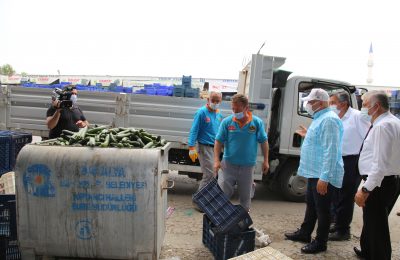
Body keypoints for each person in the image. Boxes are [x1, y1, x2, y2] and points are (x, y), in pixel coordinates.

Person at [284, 88, 344, 254]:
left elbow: (331, 151)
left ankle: (320, 242)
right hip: (314, 171)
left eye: (311, 102)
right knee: (311, 205)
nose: (308, 105)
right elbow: (320, 142)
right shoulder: (320, 118)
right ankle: (305, 233)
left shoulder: (329, 120)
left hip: (323, 174)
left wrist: (324, 178)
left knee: (323, 210)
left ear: (321, 102)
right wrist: (307, 134)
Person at [353, 90, 400, 260]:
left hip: (379, 183)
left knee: (377, 227)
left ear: (376, 106)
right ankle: (367, 250)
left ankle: (378, 255)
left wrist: (365, 190)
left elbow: (379, 164)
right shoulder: (393, 121)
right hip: (389, 181)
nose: (362, 108)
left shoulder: (382, 126)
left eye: (365, 105)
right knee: (373, 221)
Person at [213, 94, 269, 211]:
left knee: (246, 196)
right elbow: (218, 142)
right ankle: (220, 220)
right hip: (228, 165)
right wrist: (217, 160)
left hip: (247, 166)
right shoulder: (227, 122)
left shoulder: (257, 123)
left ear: (246, 108)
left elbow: (264, 142)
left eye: (237, 109)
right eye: (233, 109)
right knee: (223, 194)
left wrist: (266, 161)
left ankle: (243, 221)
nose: (234, 112)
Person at [328, 92, 371, 241]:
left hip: (352, 160)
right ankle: (337, 223)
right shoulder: (334, 117)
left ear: (343, 103)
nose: (330, 105)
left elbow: (368, 138)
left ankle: (343, 230)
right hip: (336, 159)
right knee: (335, 194)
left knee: (346, 195)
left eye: (332, 102)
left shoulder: (358, 117)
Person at [188, 91, 223, 190]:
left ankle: (206, 198)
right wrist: (191, 146)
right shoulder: (201, 112)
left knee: (214, 173)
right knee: (209, 174)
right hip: (204, 147)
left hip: (215, 148)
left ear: (220, 101)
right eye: (213, 100)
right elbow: (194, 129)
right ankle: (198, 199)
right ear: (208, 100)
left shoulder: (219, 114)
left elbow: (219, 131)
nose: (215, 103)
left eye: (217, 101)